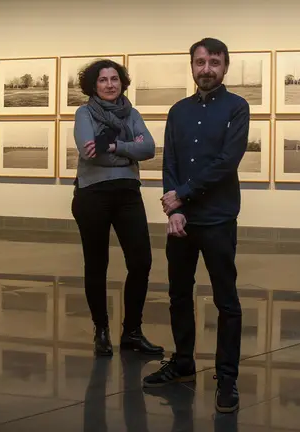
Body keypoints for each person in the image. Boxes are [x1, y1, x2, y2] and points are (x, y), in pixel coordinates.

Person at [141, 37, 249, 414]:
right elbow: (170, 161)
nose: (207, 69)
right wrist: (174, 210)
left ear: (225, 67)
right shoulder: (178, 111)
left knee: (226, 302)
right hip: (182, 222)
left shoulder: (237, 107)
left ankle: (227, 378)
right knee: (178, 295)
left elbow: (226, 162)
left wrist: (182, 195)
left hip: (218, 220)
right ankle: (184, 363)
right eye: (200, 62)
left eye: (214, 62)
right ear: (191, 65)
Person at [71, 59, 164, 357]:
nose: (110, 85)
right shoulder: (84, 113)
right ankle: (101, 331)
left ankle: (132, 332)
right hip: (92, 195)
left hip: (127, 195)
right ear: (93, 85)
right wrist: (128, 151)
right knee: (96, 264)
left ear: (122, 82)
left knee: (141, 262)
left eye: (114, 79)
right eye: (103, 80)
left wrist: (112, 146)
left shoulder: (132, 113)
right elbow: (90, 151)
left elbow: (148, 148)